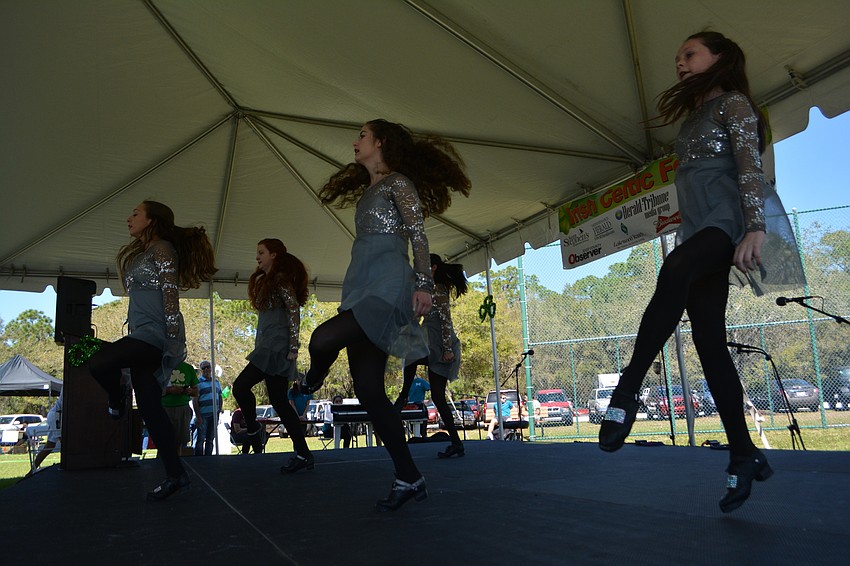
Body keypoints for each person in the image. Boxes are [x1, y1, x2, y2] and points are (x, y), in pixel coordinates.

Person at [598, 31, 803, 513]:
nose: (680, 62)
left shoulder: (735, 104)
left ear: (720, 58)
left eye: (689, 54)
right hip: (699, 225)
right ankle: (743, 454)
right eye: (677, 57)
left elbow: (750, 169)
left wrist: (755, 227)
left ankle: (627, 389)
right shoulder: (693, 117)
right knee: (709, 342)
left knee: (674, 270)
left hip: (728, 220)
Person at [300, 119, 470, 511]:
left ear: (381, 142)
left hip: (389, 286)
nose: (355, 141)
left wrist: (424, 283)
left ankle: (308, 383)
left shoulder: (398, 183)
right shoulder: (369, 191)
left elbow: (419, 234)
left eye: (362, 135)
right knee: (370, 393)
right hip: (361, 284)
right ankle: (409, 477)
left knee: (321, 339)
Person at [88, 200, 216, 500]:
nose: (129, 217)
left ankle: (118, 396)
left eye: (136, 213)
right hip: (142, 333)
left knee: (98, 363)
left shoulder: (162, 250)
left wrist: (171, 338)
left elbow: (170, 294)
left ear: (152, 220)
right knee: (149, 406)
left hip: (155, 334)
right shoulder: (145, 252)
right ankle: (176, 475)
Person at [231, 239, 312, 469]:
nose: (257, 257)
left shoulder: (280, 280)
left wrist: (293, 346)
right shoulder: (269, 282)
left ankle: (255, 429)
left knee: (240, 386)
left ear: (274, 255)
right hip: (269, 346)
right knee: (279, 402)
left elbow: (294, 309)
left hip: (276, 348)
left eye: (261, 253)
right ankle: (304, 454)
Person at [396, 254, 468, 457]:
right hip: (430, 341)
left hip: (440, 343)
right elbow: (417, 316)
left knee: (412, 358)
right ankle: (457, 443)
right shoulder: (425, 289)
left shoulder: (439, 289)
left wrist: (447, 349)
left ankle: (402, 396)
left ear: (434, 267)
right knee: (437, 397)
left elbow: (446, 321)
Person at [161, 361, 199, 456]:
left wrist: (189, 391)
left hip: (183, 408)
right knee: (163, 440)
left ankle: (178, 462)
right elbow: (154, 390)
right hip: (165, 408)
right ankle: (160, 464)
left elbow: (196, 392)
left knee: (179, 441)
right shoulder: (161, 367)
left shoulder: (189, 368)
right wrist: (170, 390)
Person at [26, 389, 63, 476]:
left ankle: (32, 471)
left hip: (56, 415)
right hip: (57, 416)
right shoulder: (68, 384)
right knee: (64, 443)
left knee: (49, 446)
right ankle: (67, 466)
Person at [194, 360, 223, 456]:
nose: (206, 369)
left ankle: (209, 458)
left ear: (211, 368)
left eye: (208, 367)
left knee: (210, 439)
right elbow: (195, 401)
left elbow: (220, 397)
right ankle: (198, 459)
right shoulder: (198, 383)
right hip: (202, 415)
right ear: (201, 370)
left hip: (214, 415)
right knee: (200, 439)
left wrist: (219, 412)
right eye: (204, 368)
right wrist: (198, 416)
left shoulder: (216, 382)